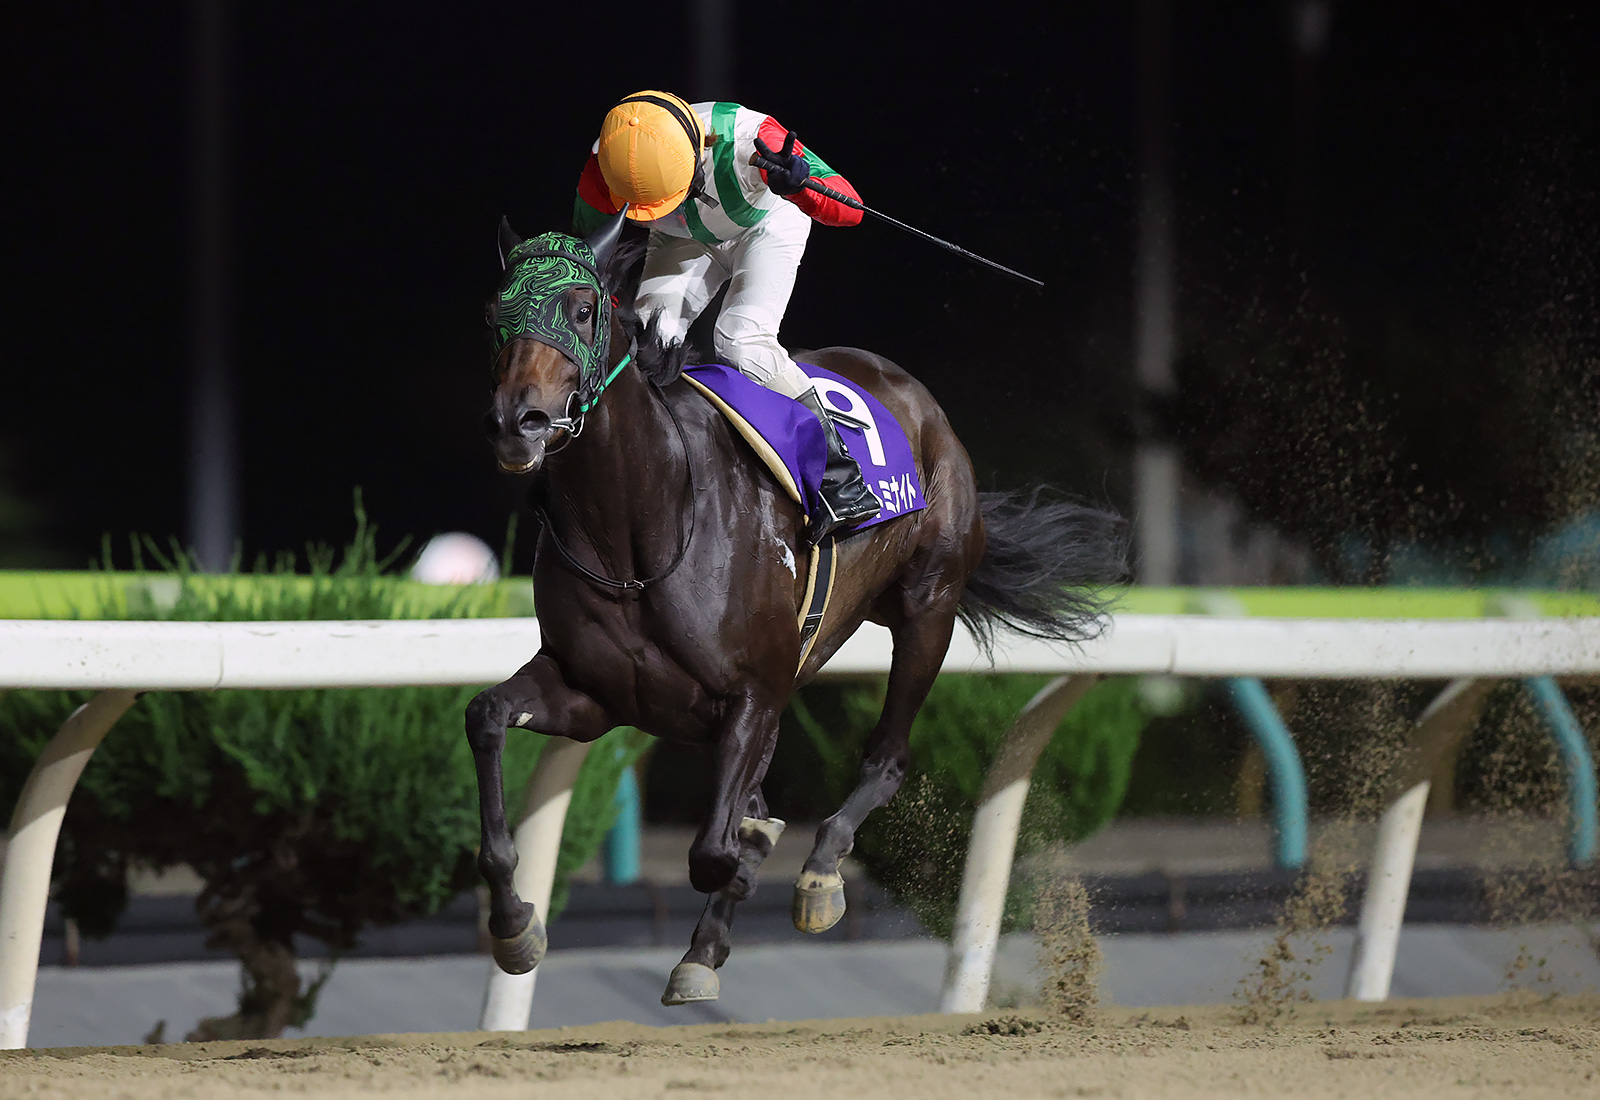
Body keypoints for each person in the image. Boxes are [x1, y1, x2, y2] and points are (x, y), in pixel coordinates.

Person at [572, 90, 880, 541]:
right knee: (645, 346)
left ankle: (841, 477)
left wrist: (800, 188)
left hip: (767, 222)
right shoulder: (605, 167)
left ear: (697, 157)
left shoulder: (753, 136)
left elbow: (851, 210)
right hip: (686, 240)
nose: (667, 208)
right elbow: (591, 259)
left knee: (741, 341)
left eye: (675, 196)